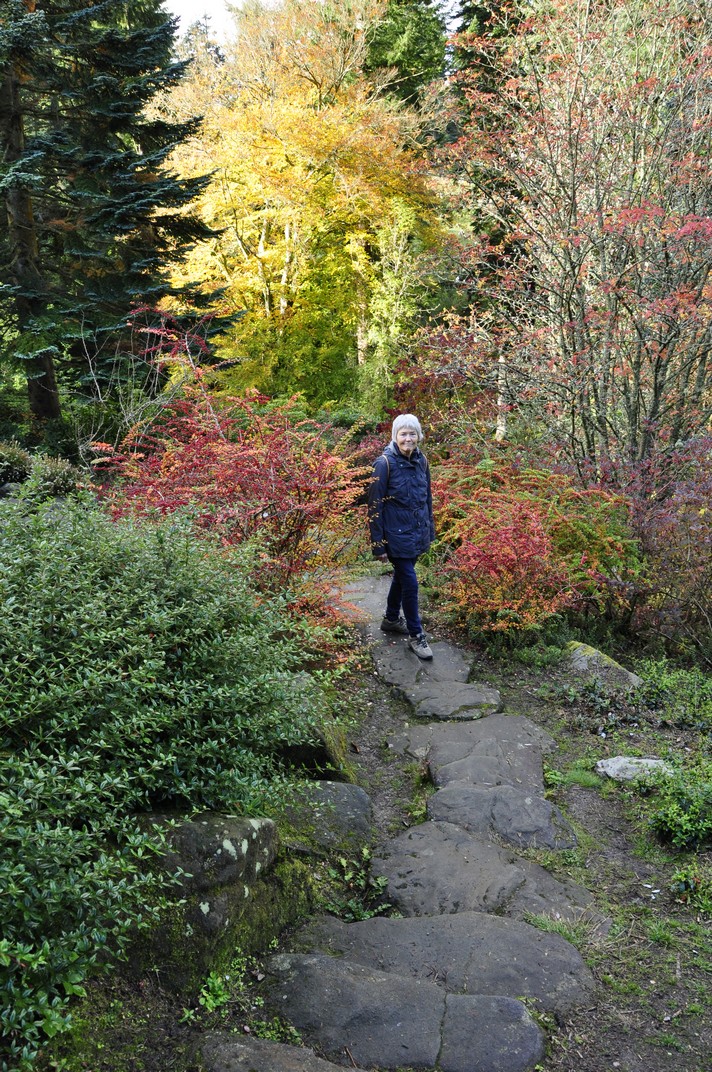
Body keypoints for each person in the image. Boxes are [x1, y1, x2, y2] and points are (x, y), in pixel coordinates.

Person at [367, 414, 435, 660]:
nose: (408, 438)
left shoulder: (422, 461)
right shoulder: (384, 464)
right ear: (395, 436)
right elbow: (374, 506)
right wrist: (379, 544)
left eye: (412, 433)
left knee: (402, 577)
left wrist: (429, 531)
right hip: (394, 536)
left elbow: (427, 499)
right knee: (410, 582)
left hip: (416, 532)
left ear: (419, 436)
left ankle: (391, 619)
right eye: (403, 434)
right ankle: (417, 635)